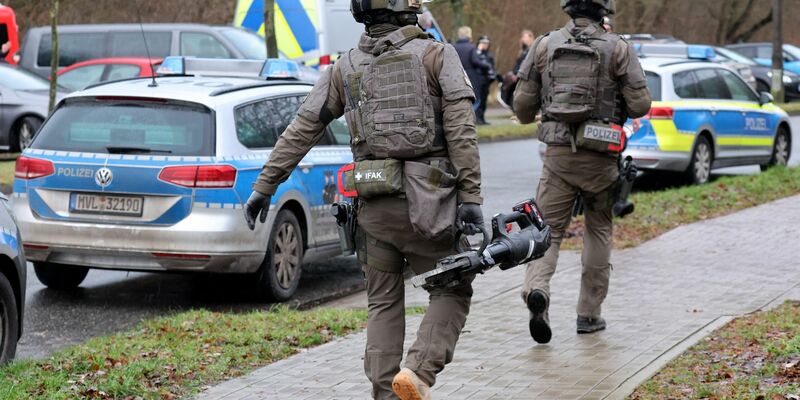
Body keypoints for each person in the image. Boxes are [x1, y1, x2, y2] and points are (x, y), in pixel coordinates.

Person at [244, 0, 484, 399]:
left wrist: (264, 187)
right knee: (452, 288)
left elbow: (302, 128)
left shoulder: (345, 67)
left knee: (383, 303)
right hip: (431, 208)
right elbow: (462, 132)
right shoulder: (437, 55)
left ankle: (385, 394)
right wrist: (471, 196)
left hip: (372, 205)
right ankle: (418, 373)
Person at [513, 0, 651, 343]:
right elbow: (640, 105)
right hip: (602, 158)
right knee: (599, 230)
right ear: (604, 10)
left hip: (558, 158)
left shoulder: (544, 45)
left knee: (549, 231)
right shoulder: (619, 48)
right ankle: (589, 314)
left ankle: (537, 290)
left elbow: (522, 108)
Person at [453, 26, 492, 117]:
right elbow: (475, 61)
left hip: (456, 75)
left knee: (460, 98)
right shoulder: (471, 48)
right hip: (471, 76)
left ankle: (461, 117)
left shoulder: (453, 47)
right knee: (476, 99)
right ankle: (469, 117)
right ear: (469, 35)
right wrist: (487, 65)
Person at [500, 30, 535, 110]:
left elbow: (526, 65)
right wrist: (513, 73)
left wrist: (517, 74)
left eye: (525, 37)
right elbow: (518, 64)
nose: (523, 39)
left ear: (530, 38)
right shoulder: (523, 50)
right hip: (518, 75)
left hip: (524, 76)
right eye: (522, 37)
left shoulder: (531, 50)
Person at [475, 36, 497, 125]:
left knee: (484, 100)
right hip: (478, 80)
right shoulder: (476, 53)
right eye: (483, 43)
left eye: (487, 43)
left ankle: (482, 118)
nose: (485, 45)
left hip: (486, 80)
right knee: (478, 100)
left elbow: (492, 67)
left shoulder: (489, 55)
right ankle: (477, 118)